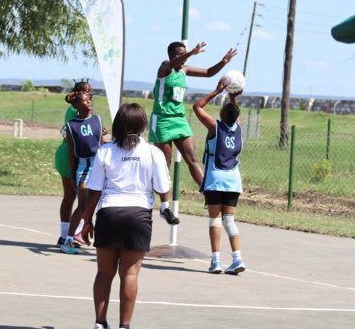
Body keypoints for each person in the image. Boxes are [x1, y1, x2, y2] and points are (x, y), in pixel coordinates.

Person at [81, 103, 178, 329]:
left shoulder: (105, 151)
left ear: (118, 125)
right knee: (130, 274)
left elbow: (94, 189)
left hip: (109, 213)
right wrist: (165, 205)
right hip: (138, 216)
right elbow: (163, 186)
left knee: (104, 272)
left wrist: (87, 221)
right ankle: (124, 326)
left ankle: (100, 323)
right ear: (143, 125)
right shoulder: (153, 152)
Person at [148, 41, 237, 186]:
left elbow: (208, 73)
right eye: (178, 54)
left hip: (179, 120)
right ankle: (161, 203)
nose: (182, 58)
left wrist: (223, 62)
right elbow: (171, 64)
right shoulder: (165, 67)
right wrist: (190, 53)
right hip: (162, 120)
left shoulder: (185, 70)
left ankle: (208, 193)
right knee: (164, 165)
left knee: (192, 158)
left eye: (184, 55)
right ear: (170, 55)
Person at [193, 78, 246, 275]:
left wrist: (217, 91)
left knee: (215, 220)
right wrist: (233, 96)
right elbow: (235, 113)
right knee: (229, 220)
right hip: (233, 181)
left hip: (215, 180)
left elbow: (197, 106)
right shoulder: (239, 128)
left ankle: (216, 261)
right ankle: (237, 258)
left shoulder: (215, 127)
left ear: (222, 115)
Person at [60, 90, 107, 254]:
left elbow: (102, 144)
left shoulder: (97, 120)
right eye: (86, 101)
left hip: (100, 165)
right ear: (77, 105)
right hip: (84, 167)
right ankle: (68, 240)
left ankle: (99, 238)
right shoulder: (71, 126)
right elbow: (72, 154)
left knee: (105, 204)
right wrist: (73, 175)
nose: (89, 103)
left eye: (90, 100)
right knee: (83, 205)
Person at [54, 79, 94, 247]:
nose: (90, 95)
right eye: (86, 92)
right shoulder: (75, 111)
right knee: (79, 198)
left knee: (74, 197)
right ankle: (71, 236)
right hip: (71, 156)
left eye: (91, 92)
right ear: (78, 95)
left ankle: (68, 235)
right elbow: (80, 136)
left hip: (74, 156)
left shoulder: (82, 110)